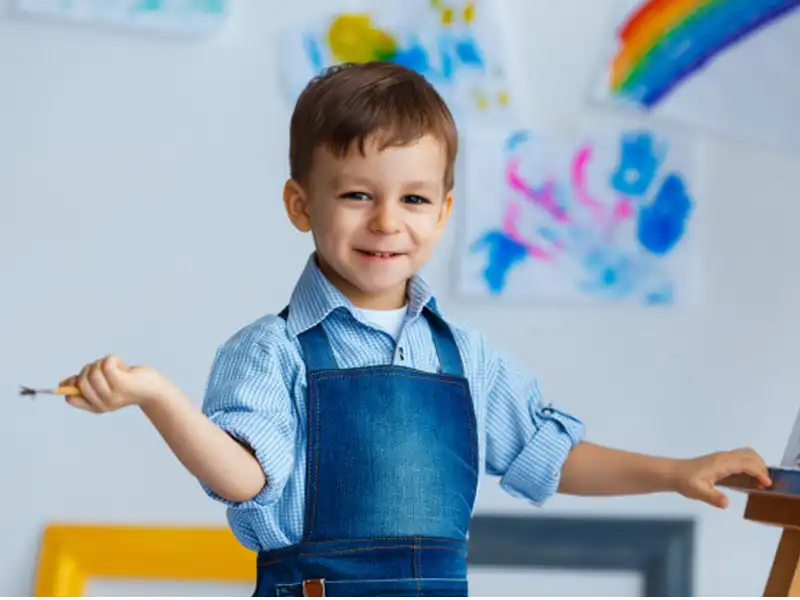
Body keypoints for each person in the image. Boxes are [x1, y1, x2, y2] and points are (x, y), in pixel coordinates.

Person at [60, 62, 771, 597]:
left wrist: (676, 472)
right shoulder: (269, 351)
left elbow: (546, 457)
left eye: (414, 198)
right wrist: (158, 396)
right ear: (300, 204)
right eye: (358, 195)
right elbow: (247, 479)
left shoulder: (463, 356)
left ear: (444, 209)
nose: (386, 221)